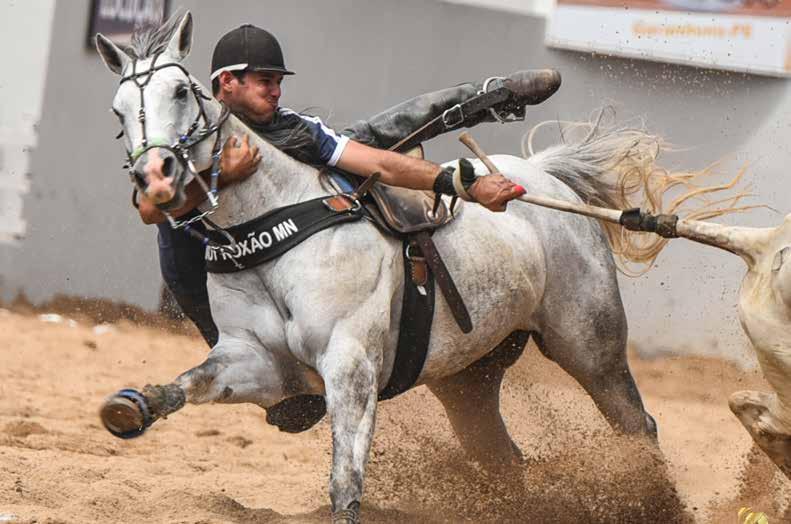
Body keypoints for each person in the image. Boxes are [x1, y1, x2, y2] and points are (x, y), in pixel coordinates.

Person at [139, 24, 560, 432]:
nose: (276, 90)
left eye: (277, 81)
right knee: (174, 240)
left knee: (383, 132)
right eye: (265, 81)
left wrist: (458, 183)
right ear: (227, 83)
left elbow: (378, 161)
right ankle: (284, 384)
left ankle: (493, 94)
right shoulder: (188, 136)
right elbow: (148, 208)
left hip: (299, 209)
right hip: (224, 285)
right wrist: (225, 175)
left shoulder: (292, 127)